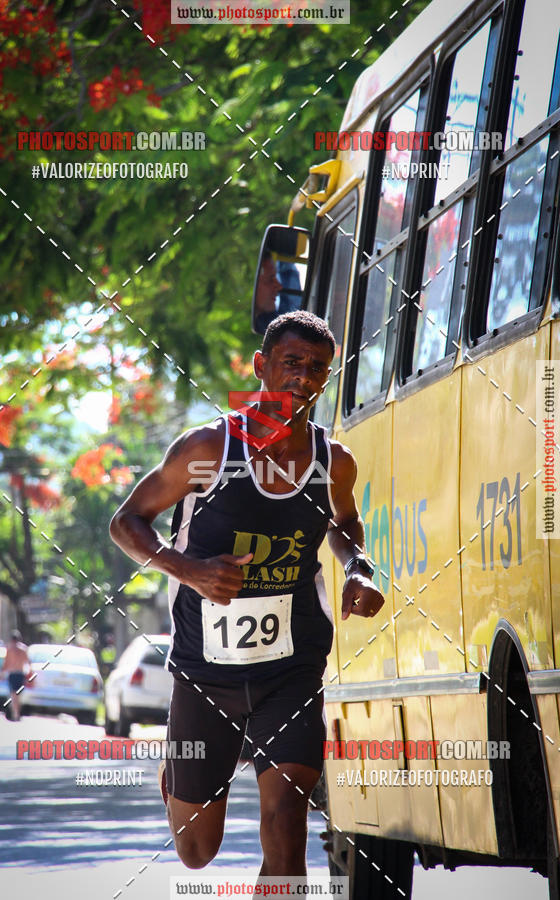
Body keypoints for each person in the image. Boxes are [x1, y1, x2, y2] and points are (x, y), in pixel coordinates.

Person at [109, 310, 384, 876]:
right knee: (196, 851)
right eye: (291, 363)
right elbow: (127, 522)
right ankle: (180, 781)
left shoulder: (335, 462)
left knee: (287, 827)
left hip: (292, 668)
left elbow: (343, 524)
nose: (303, 378)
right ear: (261, 366)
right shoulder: (207, 449)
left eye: (316, 368)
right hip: (206, 674)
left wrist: (358, 568)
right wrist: (189, 570)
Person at [2, 630, 30, 721]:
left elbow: (6, 663)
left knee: (13, 695)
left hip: (12, 674)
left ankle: (15, 712)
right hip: (20, 674)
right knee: (18, 695)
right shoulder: (23, 649)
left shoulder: (9, 649)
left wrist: (2, 673)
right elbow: (27, 662)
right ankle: (17, 712)